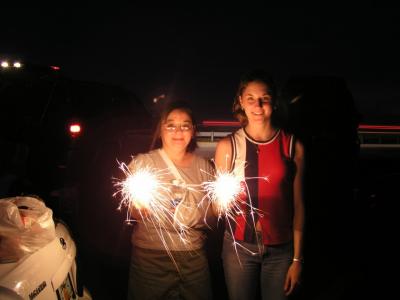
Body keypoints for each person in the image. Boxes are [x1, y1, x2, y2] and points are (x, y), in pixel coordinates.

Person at [214, 70, 305, 300]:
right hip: (239, 249)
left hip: (281, 251)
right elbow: (216, 208)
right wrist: (222, 201)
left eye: (264, 98)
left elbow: (300, 205)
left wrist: (297, 260)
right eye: (251, 98)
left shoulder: (293, 146)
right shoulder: (228, 146)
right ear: (241, 102)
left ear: (274, 102)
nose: (258, 104)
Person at [126, 101, 214, 300]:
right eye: (171, 125)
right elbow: (133, 210)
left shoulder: (205, 167)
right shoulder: (143, 163)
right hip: (150, 259)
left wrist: (196, 215)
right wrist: (139, 208)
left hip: (193, 258)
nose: (178, 131)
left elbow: (214, 213)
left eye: (185, 125)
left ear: (193, 130)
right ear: (160, 130)